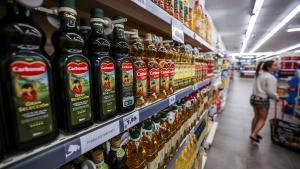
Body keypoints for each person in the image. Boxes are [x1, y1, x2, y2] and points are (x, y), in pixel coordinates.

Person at [249, 60, 279, 143]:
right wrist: (276, 97)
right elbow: (270, 92)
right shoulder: (270, 77)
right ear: (269, 67)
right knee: (262, 119)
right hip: (262, 100)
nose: (277, 66)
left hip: (254, 98)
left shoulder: (259, 74)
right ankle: (254, 134)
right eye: (275, 65)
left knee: (256, 117)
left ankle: (253, 132)